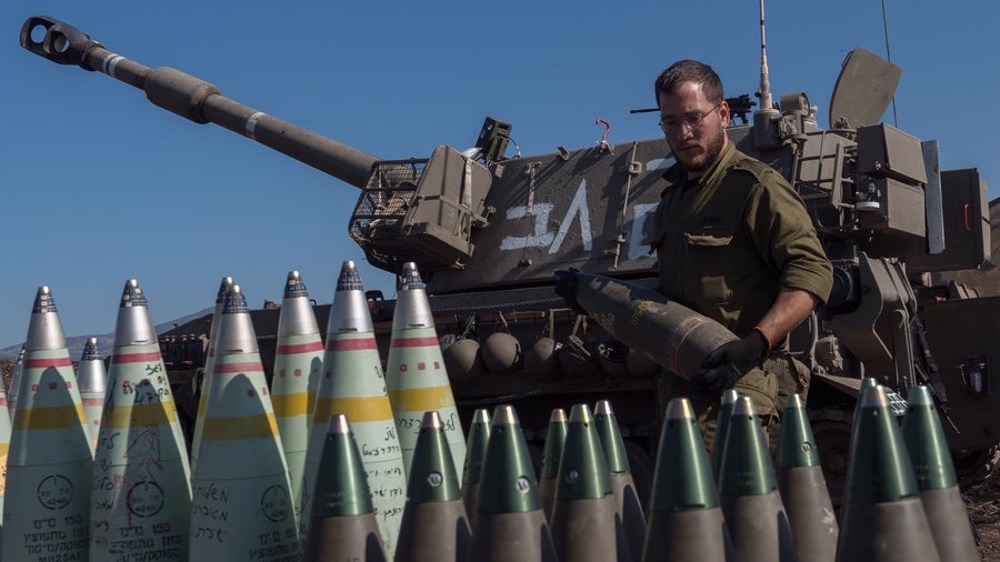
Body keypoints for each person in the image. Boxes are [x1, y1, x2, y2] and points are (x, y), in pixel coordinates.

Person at [649, 60, 833, 449]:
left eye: (694, 118)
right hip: (684, 398)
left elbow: (812, 270)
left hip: (744, 394)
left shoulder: (756, 187)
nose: (683, 133)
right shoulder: (672, 202)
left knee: (742, 509)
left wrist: (755, 342)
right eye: (670, 122)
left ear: (723, 114)